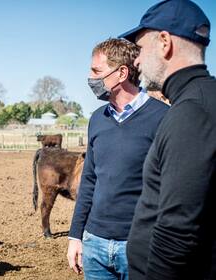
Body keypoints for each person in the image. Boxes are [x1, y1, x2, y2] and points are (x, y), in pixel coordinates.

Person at [119, 0, 216, 279]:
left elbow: (178, 230)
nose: (136, 61)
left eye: (139, 49)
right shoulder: (202, 100)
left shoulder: (192, 113)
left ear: (164, 42)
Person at [67, 38, 169, 279]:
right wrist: (76, 236)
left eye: (96, 71)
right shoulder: (97, 119)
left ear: (122, 72)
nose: (90, 78)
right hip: (94, 246)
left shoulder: (164, 118)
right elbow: (90, 180)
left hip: (140, 246)